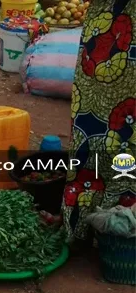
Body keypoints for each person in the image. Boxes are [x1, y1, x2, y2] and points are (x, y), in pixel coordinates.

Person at [62, 0, 136, 240]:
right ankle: (98, 222)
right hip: (109, 33)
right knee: (102, 123)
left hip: (112, 33)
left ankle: (111, 223)